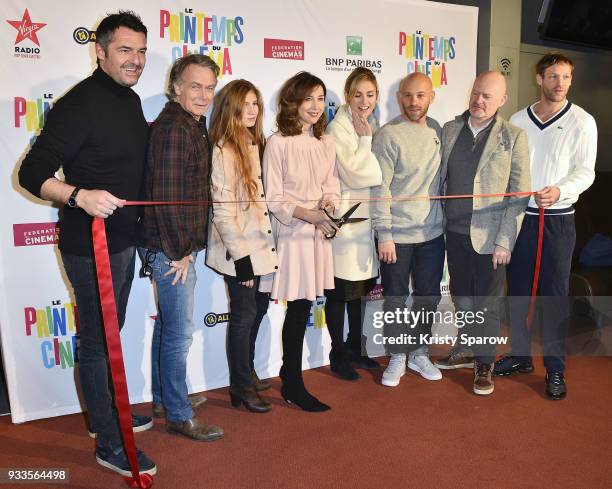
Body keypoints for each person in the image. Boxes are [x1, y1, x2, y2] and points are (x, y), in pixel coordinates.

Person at [18, 11, 156, 476]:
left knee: (108, 337)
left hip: (122, 243)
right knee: (97, 344)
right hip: (89, 246)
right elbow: (31, 173)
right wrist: (78, 195)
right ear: (100, 51)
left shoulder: (130, 99)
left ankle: (106, 417)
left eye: (140, 51)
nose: (135, 60)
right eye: (124, 50)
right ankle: (110, 443)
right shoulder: (80, 104)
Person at [495, 53, 597, 400]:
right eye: (553, 76)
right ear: (539, 78)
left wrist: (560, 191)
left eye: (566, 77)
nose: (560, 83)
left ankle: (555, 369)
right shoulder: (519, 119)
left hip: (557, 221)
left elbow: (586, 172)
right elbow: (507, 167)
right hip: (522, 217)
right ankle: (521, 356)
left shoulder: (583, 122)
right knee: (519, 292)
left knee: (553, 296)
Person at [139, 54, 224, 441]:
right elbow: (168, 197)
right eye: (195, 86)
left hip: (173, 245)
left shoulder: (192, 122)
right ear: (175, 87)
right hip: (169, 249)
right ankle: (177, 412)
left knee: (170, 327)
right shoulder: (176, 127)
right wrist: (179, 253)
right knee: (179, 334)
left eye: (209, 87)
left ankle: (162, 398)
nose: (204, 95)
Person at [436, 71, 531, 395]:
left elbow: (519, 194)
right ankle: (465, 347)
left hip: (492, 238)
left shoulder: (514, 137)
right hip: (454, 231)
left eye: (487, 96)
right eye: (476, 93)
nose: (478, 100)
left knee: (486, 304)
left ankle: (484, 363)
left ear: (502, 100)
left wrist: (506, 240)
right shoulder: (450, 130)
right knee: (462, 297)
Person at [262, 71, 340, 412]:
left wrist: (329, 205)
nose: (315, 106)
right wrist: (311, 215)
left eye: (320, 98)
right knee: (296, 310)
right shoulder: (277, 142)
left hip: (318, 235)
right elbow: (275, 199)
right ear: (291, 102)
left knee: (305, 306)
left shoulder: (326, 142)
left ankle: (288, 375)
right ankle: (292, 382)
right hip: (292, 235)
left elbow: (331, 184)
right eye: (308, 98)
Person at [206, 79, 278, 412]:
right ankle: (241, 386)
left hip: (259, 247)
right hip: (240, 253)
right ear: (230, 109)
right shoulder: (224, 148)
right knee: (244, 316)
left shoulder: (253, 142)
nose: (251, 111)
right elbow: (223, 211)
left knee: (257, 311)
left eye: (255, 104)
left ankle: (246, 372)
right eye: (244, 105)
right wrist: (243, 260)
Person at [372, 72, 446, 387]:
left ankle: (418, 350)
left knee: (428, 297)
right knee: (395, 299)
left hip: (432, 235)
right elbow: (380, 188)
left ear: (431, 97)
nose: (414, 102)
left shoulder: (439, 130)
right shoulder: (388, 135)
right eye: (407, 95)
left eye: (420, 95)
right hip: (398, 236)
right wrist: (384, 234)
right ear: (399, 97)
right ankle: (397, 354)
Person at [324, 67, 383, 380]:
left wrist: (366, 139)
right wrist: (364, 141)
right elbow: (359, 174)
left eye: (370, 95)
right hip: (344, 221)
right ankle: (338, 354)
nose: (364, 101)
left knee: (359, 291)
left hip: (365, 222)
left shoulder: (366, 124)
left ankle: (356, 348)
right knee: (338, 292)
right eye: (358, 94)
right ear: (347, 95)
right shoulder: (340, 128)